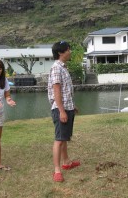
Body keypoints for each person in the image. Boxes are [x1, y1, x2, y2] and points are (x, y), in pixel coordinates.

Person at [48, 41, 80, 182]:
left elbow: (66, 91)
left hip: (68, 107)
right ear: (61, 52)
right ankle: (57, 170)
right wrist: (61, 111)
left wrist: (72, 106)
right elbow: (56, 91)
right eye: (68, 49)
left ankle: (66, 162)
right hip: (61, 109)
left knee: (65, 137)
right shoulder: (56, 68)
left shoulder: (63, 68)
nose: (70, 52)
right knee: (59, 139)